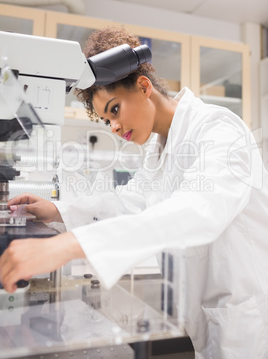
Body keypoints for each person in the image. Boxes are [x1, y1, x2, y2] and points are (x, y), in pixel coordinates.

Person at [0, 27, 268, 358]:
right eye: (105, 120)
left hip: (248, 316)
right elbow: (129, 202)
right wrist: (58, 211)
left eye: (114, 110)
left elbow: (199, 210)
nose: (113, 127)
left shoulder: (218, 129)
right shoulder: (159, 150)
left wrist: (70, 245)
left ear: (143, 86)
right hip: (213, 315)